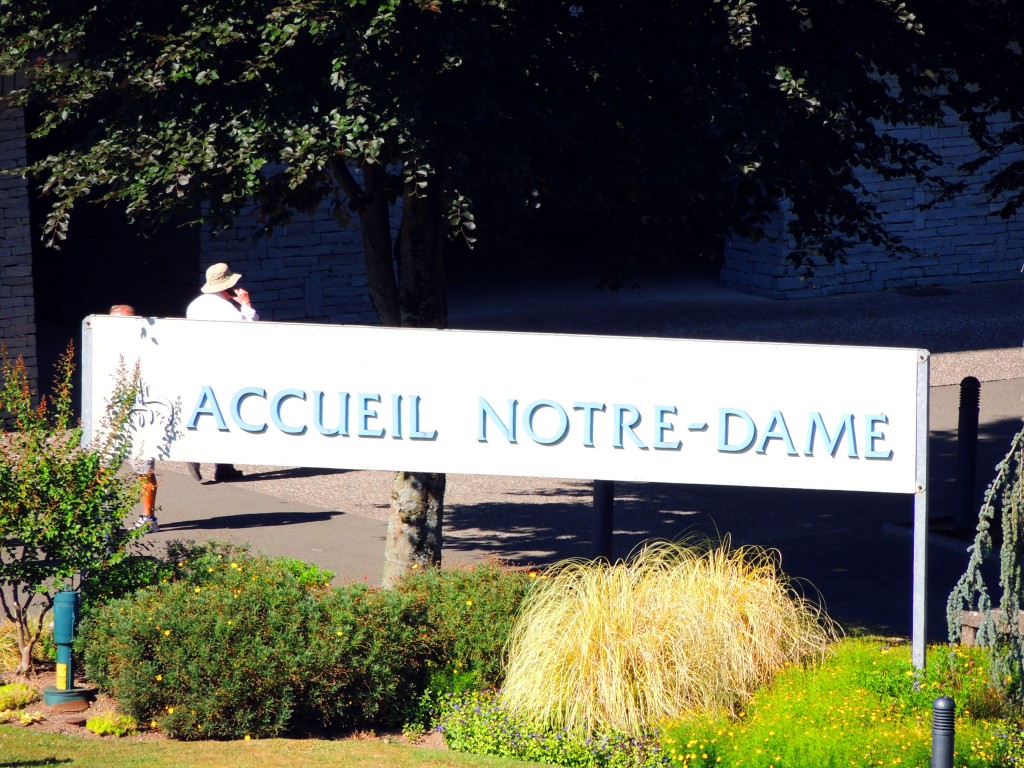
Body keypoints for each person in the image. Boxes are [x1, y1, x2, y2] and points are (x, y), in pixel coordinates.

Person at [184, 262, 257, 483]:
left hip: (201, 364)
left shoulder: (195, 305)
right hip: (224, 366)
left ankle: (223, 465)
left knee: (211, 412)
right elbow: (248, 329)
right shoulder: (224, 308)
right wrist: (246, 305)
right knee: (224, 414)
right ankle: (211, 459)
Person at [109, 304, 160, 533]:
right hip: (109, 420)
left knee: (144, 470)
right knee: (102, 470)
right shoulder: (102, 346)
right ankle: (103, 520)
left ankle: (148, 518)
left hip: (140, 420)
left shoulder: (146, 346)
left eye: (129, 321)